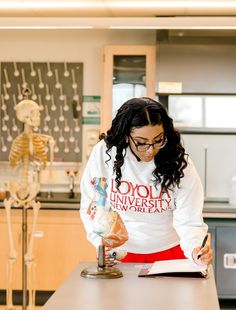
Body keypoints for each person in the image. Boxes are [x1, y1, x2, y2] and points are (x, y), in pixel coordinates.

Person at [80, 97, 213, 265]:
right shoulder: (106, 153)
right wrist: (99, 242)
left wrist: (196, 249)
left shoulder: (179, 163)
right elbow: (93, 205)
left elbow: (189, 220)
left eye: (158, 140)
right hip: (120, 253)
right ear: (126, 135)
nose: (150, 150)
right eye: (141, 143)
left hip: (171, 253)